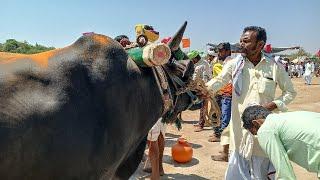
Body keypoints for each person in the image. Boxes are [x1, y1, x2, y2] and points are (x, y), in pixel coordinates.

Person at [205, 26, 297, 179]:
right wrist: (204, 90)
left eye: (246, 41)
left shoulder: (274, 67)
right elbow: (219, 81)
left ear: (260, 45)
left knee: (261, 172)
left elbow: (290, 92)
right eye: (241, 40)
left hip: (263, 132)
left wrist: (272, 106)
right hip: (239, 132)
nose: (241, 44)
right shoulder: (234, 64)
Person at [241, 105, 320, 179]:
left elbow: (282, 168)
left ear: (256, 123)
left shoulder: (265, 129)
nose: (257, 135)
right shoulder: (287, 116)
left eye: (254, 132)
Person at [208, 42, 233, 162]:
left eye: (221, 51)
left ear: (228, 51)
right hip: (225, 94)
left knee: (225, 123)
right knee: (225, 121)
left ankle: (225, 153)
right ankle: (226, 150)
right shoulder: (225, 62)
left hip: (229, 95)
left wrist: (206, 89)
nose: (219, 54)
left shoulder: (230, 63)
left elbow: (221, 79)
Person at [188, 50, 212, 132]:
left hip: (204, 88)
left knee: (203, 106)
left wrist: (203, 88)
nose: (192, 61)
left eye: (192, 59)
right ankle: (201, 122)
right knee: (201, 105)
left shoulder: (203, 65)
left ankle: (201, 125)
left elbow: (205, 78)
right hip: (199, 87)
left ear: (195, 58)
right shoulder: (199, 64)